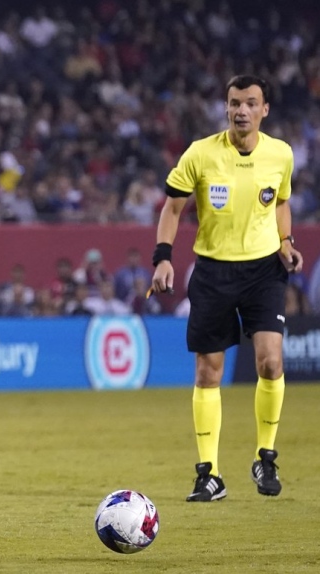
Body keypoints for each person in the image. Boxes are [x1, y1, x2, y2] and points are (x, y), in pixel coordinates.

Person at [149, 75, 303, 503]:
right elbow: (173, 207)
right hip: (214, 272)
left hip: (264, 270)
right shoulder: (200, 154)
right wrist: (162, 256)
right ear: (226, 106)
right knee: (207, 372)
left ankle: (265, 457)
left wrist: (287, 242)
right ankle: (209, 474)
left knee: (271, 362)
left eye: (251, 103)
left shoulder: (281, 154)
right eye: (235, 102)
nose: (241, 110)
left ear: (264, 110)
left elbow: (282, 202)